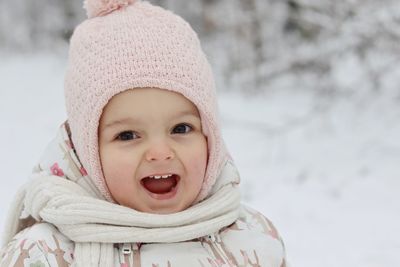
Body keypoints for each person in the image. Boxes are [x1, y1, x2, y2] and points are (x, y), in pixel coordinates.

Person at [0, 0, 287, 266]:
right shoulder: (48, 254)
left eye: (181, 128)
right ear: (88, 150)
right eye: (127, 135)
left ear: (209, 135)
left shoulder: (255, 239)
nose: (160, 152)